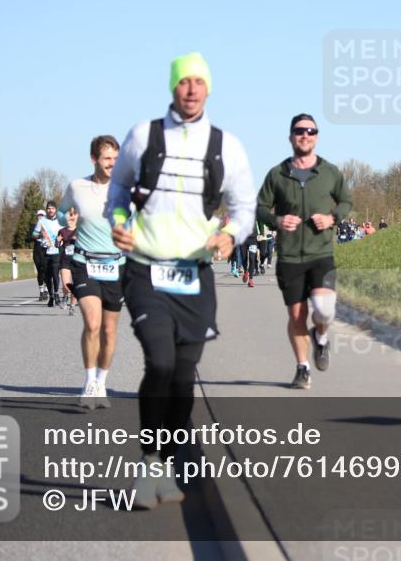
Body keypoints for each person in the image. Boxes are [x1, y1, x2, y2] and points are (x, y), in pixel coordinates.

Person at [107, 52, 255, 508]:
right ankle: (148, 465)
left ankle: (167, 466)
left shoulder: (226, 146)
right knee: (160, 362)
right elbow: (118, 189)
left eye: (198, 82)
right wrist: (118, 220)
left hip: (195, 274)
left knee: (184, 379)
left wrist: (230, 235)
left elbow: (244, 209)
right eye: (183, 81)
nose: (191, 90)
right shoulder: (143, 136)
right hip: (146, 268)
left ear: (208, 88)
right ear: (172, 87)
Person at [256, 114, 352, 389]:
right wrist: (277, 220)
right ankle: (303, 368)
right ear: (291, 137)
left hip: (321, 253)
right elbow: (260, 207)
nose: (305, 135)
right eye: (300, 131)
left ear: (317, 137)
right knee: (297, 315)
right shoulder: (277, 174)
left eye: (311, 131)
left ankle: (320, 337)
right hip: (289, 256)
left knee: (324, 310)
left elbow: (346, 201)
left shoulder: (329, 172)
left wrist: (332, 218)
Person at [59, 135, 124, 408]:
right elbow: (62, 214)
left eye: (116, 159)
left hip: (116, 266)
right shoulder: (77, 187)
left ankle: (101, 382)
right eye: (107, 158)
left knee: (109, 330)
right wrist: (68, 219)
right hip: (84, 263)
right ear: (94, 159)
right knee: (93, 324)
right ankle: (88, 383)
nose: (113, 164)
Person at [32, 200, 63, 307]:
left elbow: (65, 233)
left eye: (52, 208)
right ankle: (51, 296)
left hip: (56, 250)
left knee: (55, 274)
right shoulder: (42, 221)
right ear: (47, 210)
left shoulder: (60, 221)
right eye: (49, 208)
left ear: (56, 210)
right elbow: (34, 234)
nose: (50, 210)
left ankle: (56, 293)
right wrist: (41, 235)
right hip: (44, 251)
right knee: (47, 276)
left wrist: (61, 238)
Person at [56, 207, 79, 313]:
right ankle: (65, 297)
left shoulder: (81, 231)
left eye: (72, 215)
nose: (70, 217)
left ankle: (72, 306)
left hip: (78, 261)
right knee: (66, 285)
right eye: (69, 215)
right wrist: (57, 241)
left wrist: (78, 240)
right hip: (65, 260)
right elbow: (57, 245)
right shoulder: (62, 231)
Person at [32, 209, 48, 300]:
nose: (40, 217)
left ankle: (46, 290)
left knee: (46, 270)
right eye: (39, 215)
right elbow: (29, 237)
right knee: (40, 271)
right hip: (37, 250)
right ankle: (41, 291)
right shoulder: (34, 226)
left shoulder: (49, 226)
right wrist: (39, 235)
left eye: (42, 215)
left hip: (46, 249)